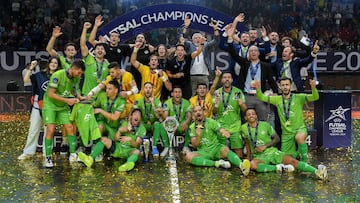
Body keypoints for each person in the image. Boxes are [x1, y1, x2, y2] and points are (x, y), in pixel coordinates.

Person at [242, 108, 327, 180]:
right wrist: (248, 157)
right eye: (249, 114)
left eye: (253, 114)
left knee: (293, 161)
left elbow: (277, 138)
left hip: (272, 152)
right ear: (245, 117)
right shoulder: (243, 128)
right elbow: (247, 142)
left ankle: (317, 172)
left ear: (256, 116)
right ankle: (279, 168)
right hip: (259, 156)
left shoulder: (265, 125)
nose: (251, 115)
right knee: (252, 165)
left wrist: (265, 146)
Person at [255, 78, 319, 162]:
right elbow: (261, 97)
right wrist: (258, 88)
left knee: (299, 137)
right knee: (286, 159)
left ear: (290, 86)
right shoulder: (277, 99)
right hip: (286, 134)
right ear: (280, 87)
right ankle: (298, 154)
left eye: (287, 85)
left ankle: (305, 160)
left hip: (299, 129)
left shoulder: (299, 97)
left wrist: (313, 88)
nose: (285, 87)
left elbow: (315, 97)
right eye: (283, 85)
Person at [226, 25, 278, 122]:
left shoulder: (265, 66)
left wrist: (276, 92)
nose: (253, 52)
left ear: (259, 53)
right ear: (248, 54)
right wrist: (229, 38)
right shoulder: (244, 63)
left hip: (260, 96)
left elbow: (271, 81)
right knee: (245, 120)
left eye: (255, 50)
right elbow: (233, 53)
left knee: (263, 121)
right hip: (246, 96)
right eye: (251, 51)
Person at [42, 59, 86, 168]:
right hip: (50, 105)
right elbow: (51, 94)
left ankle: (72, 154)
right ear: (73, 68)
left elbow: (75, 91)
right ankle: (48, 157)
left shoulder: (76, 78)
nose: (79, 75)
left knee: (70, 128)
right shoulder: (57, 75)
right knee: (51, 129)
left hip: (62, 105)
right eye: (79, 72)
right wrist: (67, 100)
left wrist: (82, 98)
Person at [185, 105, 251, 176]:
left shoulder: (211, 122)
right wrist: (198, 136)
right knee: (188, 157)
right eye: (195, 111)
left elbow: (220, 129)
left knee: (225, 149)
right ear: (193, 115)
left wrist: (224, 132)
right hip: (203, 152)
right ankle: (217, 163)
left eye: (200, 110)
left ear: (204, 112)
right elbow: (195, 145)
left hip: (215, 149)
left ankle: (242, 165)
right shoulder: (192, 127)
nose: (198, 112)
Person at [18, 57, 61, 160]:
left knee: (49, 131)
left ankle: (47, 154)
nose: (53, 64)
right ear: (48, 63)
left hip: (51, 107)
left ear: (58, 65)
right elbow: (26, 79)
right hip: (38, 106)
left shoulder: (59, 76)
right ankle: (28, 152)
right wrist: (31, 67)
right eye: (51, 62)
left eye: (56, 63)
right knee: (33, 129)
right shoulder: (39, 75)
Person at [78, 108, 146, 172]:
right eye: (135, 114)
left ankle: (127, 165)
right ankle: (90, 159)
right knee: (104, 140)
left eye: (139, 115)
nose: (137, 116)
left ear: (140, 119)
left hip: (129, 151)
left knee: (137, 152)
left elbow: (137, 145)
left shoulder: (142, 129)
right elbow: (116, 139)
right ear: (131, 116)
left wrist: (130, 140)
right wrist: (119, 131)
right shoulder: (124, 123)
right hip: (118, 148)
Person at [213, 72, 247, 158]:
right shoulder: (217, 93)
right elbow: (214, 112)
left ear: (232, 80)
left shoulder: (237, 92)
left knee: (239, 152)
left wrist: (241, 104)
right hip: (221, 126)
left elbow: (245, 111)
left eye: (229, 77)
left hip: (235, 126)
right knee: (222, 151)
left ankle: (238, 168)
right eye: (224, 77)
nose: (227, 79)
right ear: (222, 80)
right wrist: (216, 105)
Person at [182, 16, 220, 95]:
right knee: (192, 96)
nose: (197, 39)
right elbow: (182, 39)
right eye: (195, 38)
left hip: (204, 76)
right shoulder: (189, 45)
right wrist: (185, 27)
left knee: (206, 96)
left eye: (199, 38)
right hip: (192, 76)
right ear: (192, 40)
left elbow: (216, 41)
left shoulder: (205, 45)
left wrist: (215, 29)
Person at [133, 82, 169, 157]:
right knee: (137, 122)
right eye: (146, 88)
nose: (148, 90)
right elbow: (134, 115)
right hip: (143, 124)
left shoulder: (157, 101)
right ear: (143, 90)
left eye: (150, 88)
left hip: (153, 124)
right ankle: (139, 145)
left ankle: (154, 147)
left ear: (153, 90)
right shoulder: (138, 101)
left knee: (158, 124)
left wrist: (153, 104)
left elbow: (160, 118)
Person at [80, 21, 109, 96]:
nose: (100, 50)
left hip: (101, 97)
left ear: (105, 53)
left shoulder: (107, 64)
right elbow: (83, 44)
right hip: (87, 95)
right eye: (98, 49)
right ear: (94, 52)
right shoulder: (89, 59)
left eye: (102, 49)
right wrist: (85, 29)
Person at [162, 86, 192, 154]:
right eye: (176, 92)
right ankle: (167, 147)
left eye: (179, 92)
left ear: (181, 94)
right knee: (161, 125)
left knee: (190, 124)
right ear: (172, 94)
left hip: (182, 125)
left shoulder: (186, 102)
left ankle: (186, 147)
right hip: (171, 124)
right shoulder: (167, 103)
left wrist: (186, 122)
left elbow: (189, 116)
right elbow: (165, 117)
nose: (178, 94)